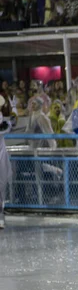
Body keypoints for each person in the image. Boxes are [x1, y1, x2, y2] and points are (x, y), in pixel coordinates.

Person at [0, 95, 11, 229]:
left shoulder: (3, 120)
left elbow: (6, 128)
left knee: (1, 186)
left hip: (1, 154)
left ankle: (1, 216)